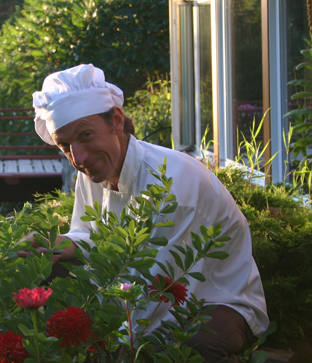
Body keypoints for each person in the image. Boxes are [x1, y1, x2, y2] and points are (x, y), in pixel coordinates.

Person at [19, 64, 268, 362]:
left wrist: (111, 344)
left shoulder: (173, 184)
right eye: (65, 146)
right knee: (53, 271)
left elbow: (160, 289)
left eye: (86, 135)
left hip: (217, 298)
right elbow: (90, 234)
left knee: (188, 346)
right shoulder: (93, 172)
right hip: (144, 291)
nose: (78, 158)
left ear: (116, 120)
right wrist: (60, 244)